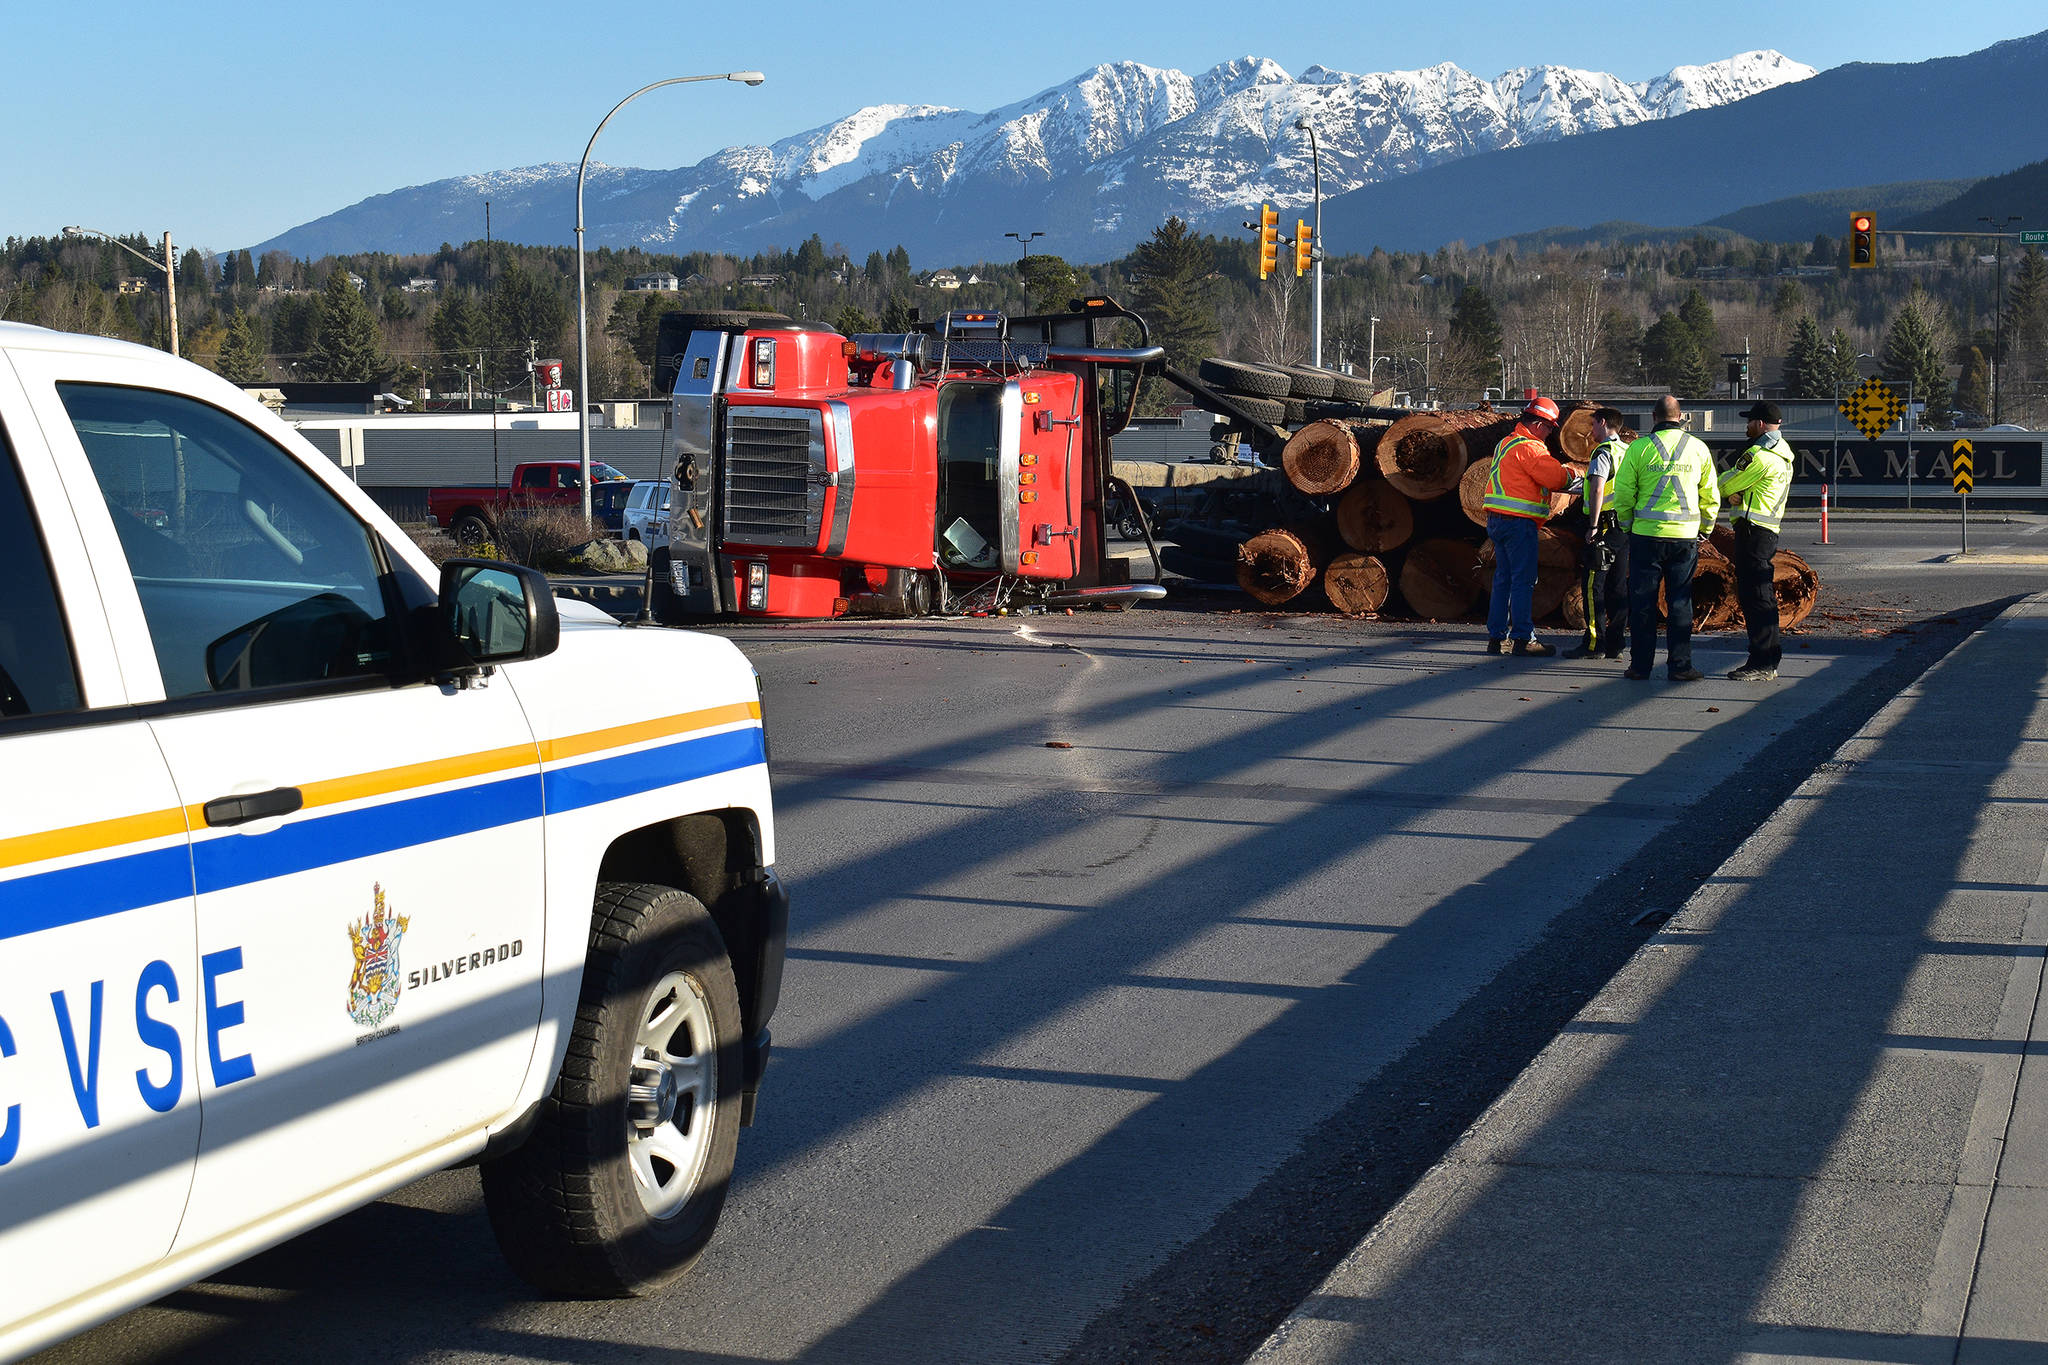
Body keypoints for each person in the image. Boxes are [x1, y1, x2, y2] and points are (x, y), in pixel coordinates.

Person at [1610, 395, 1720, 682]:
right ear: (1680, 416)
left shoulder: (1639, 448)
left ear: (1653, 417)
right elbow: (1710, 494)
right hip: (1684, 539)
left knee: (1643, 603)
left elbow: (1623, 492)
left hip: (1646, 537)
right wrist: (1705, 529)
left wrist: (1626, 524)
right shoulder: (1698, 448)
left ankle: (1640, 666)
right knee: (1680, 603)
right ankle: (1681, 666)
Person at [1482, 395, 1580, 657]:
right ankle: (1524, 638)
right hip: (1518, 523)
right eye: (1549, 427)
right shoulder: (1531, 448)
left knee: (1503, 579)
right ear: (1538, 424)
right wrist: (1576, 475)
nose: (1549, 433)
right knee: (1523, 581)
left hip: (1498, 522)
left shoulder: (1505, 443)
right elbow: (1555, 477)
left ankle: (1497, 637)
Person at [1718, 401, 1794, 681]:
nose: (1746, 425)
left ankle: (1761, 661)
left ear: (1760, 424)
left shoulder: (1759, 456)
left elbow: (1725, 483)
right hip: (1765, 532)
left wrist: (1731, 491)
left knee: (1756, 598)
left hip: (1753, 532)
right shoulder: (1782, 455)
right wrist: (1738, 490)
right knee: (1762, 597)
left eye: (1750, 421)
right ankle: (1767, 658)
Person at [1564, 406, 1631, 661]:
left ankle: (1594, 643)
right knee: (1618, 586)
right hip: (1623, 528)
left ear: (1603, 423)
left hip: (1603, 524)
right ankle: (1616, 643)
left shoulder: (1603, 452)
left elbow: (1597, 490)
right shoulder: (1626, 451)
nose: (1591, 431)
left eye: (1593, 425)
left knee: (1593, 586)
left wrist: (1592, 526)